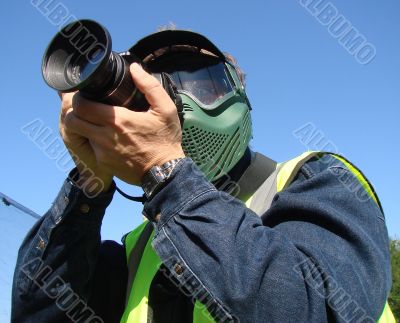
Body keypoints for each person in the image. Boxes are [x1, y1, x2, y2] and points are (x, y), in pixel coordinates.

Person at [11, 29, 394, 323]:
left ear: (241, 95)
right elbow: (38, 311)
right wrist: (89, 184)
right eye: (156, 86)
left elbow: (319, 310)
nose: (179, 102)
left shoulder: (318, 181)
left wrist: (165, 173)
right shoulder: (135, 252)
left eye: (200, 80)